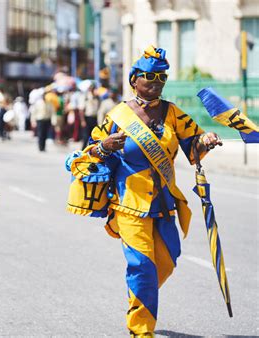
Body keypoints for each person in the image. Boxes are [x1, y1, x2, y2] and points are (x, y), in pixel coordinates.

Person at [68, 46, 223, 337]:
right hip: (129, 205)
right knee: (141, 266)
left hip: (164, 205)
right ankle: (141, 330)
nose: (156, 82)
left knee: (166, 262)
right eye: (149, 76)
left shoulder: (173, 113)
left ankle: (140, 296)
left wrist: (207, 140)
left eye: (161, 77)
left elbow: (193, 144)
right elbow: (89, 151)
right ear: (134, 79)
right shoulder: (117, 115)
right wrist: (104, 147)